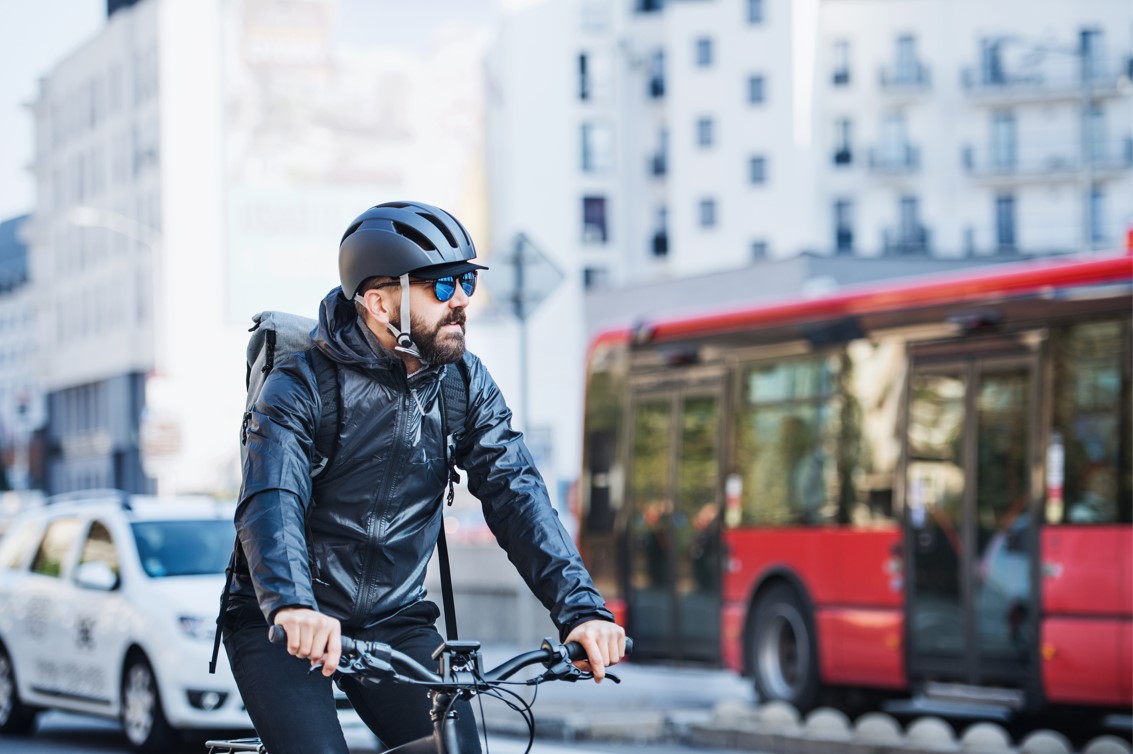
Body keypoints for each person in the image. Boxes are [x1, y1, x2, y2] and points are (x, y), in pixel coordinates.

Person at [224, 200, 626, 754]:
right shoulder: (301, 386)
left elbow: (517, 493)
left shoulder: (462, 383)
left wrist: (581, 610)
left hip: (394, 619)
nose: (461, 300)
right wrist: (292, 604)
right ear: (378, 301)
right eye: (440, 287)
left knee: (453, 749)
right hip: (290, 620)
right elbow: (273, 500)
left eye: (466, 281)